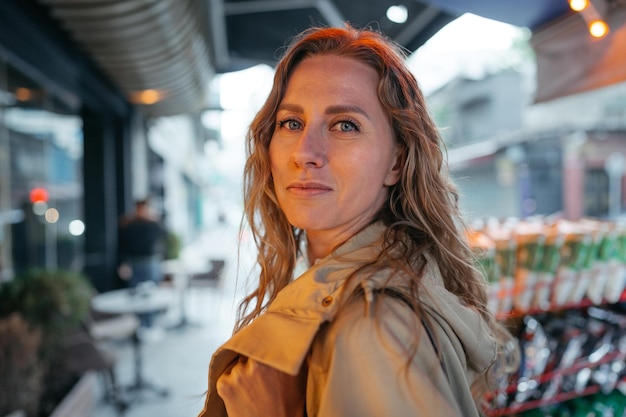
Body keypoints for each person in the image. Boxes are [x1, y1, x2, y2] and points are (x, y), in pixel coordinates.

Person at [197, 25, 517, 417]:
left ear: (397, 162)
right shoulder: (390, 284)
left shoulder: (372, 326)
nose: (305, 152)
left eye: (344, 125)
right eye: (291, 123)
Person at [118, 197, 168, 327]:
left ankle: (149, 324)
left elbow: (164, 235)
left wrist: (154, 219)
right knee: (134, 294)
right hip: (134, 262)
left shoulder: (153, 224)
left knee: (151, 294)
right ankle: (137, 324)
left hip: (151, 262)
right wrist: (124, 263)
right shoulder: (129, 224)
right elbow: (123, 246)